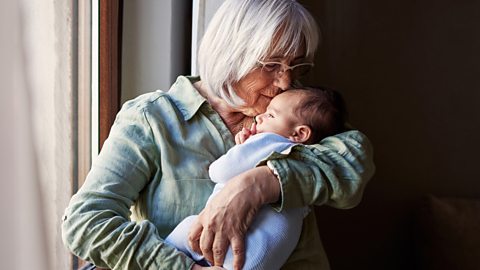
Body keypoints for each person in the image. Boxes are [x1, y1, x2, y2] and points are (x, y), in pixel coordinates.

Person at [62, 0, 375, 269]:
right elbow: (86, 222)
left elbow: (354, 162)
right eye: (271, 65)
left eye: (296, 65)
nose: (285, 81)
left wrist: (261, 182)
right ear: (232, 53)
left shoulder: (294, 110)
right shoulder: (153, 119)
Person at [165, 87, 348, 270]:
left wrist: (241, 149)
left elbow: (219, 172)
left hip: (230, 247)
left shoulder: (270, 141)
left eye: (271, 115)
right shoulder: (308, 156)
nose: (259, 117)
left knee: (186, 230)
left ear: (299, 134)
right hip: (267, 252)